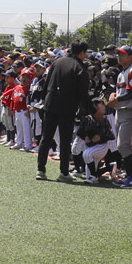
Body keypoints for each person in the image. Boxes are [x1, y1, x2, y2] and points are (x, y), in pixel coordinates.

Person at [37, 40, 90, 181]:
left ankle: (40, 170)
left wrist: (44, 100)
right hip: (67, 107)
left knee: (46, 138)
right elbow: (83, 93)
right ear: (82, 52)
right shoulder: (79, 67)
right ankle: (64, 173)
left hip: (50, 104)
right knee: (65, 140)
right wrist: (90, 108)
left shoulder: (57, 62)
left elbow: (47, 82)